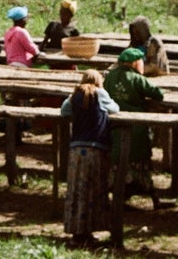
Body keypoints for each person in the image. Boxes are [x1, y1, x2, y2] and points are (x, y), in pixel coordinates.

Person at [59, 69, 120, 245]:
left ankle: (78, 232)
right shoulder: (100, 93)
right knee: (94, 190)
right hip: (95, 148)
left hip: (76, 149)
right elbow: (115, 109)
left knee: (77, 191)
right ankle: (89, 230)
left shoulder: (75, 95)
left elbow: (64, 111)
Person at [104, 47, 168, 208]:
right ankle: (153, 198)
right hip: (137, 129)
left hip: (115, 127)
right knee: (139, 162)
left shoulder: (110, 77)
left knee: (118, 161)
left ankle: (118, 196)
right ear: (134, 63)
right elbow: (157, 94)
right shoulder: (136, 79)